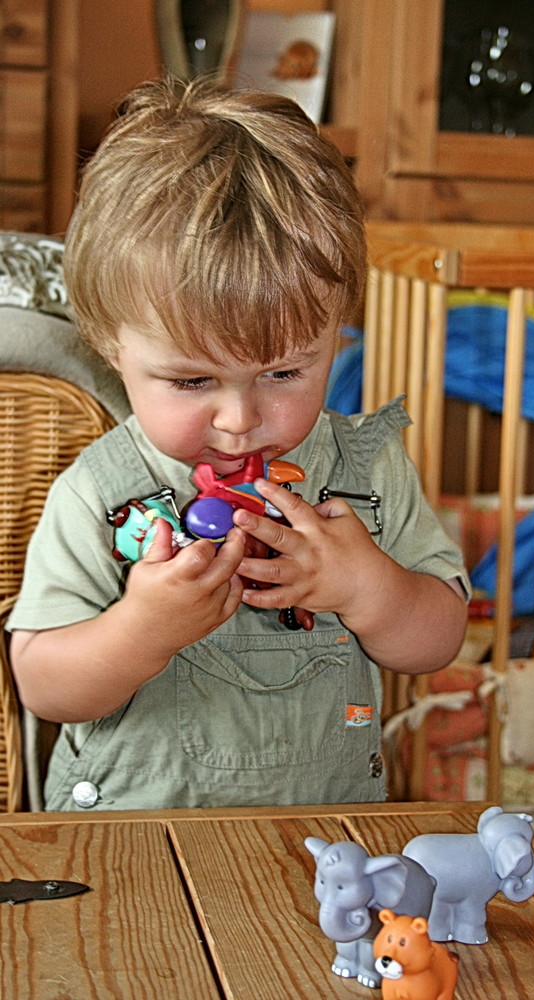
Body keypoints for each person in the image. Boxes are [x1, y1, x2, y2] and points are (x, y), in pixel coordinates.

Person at [8, 77, 470, 812]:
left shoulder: (366, 474)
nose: (238, 419)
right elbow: (43, 685)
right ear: (110, 348)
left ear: (336, 334)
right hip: (135, 844)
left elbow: (437, 639)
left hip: (324, 838)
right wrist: (140, 629)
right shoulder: (99, 491)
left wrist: (369, 589)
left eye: (284, 371)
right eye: (191, 382)